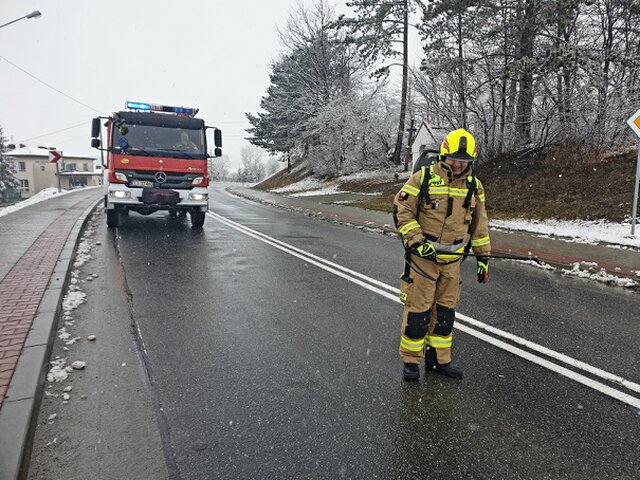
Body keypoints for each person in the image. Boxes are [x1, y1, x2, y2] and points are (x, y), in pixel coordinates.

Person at [393, 128, 491, 381]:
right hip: (423, 261)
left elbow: (480, 226)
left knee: (445, 316)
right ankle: (411, 362)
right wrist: (417, 241)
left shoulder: (474, 186)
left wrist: (483, 258)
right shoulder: (423, 178)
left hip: (452, 263)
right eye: (454, 159)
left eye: (464, 160)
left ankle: (438, 361)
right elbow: (402, 210)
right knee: (418, 314)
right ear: (444, 155)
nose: (458, 165)